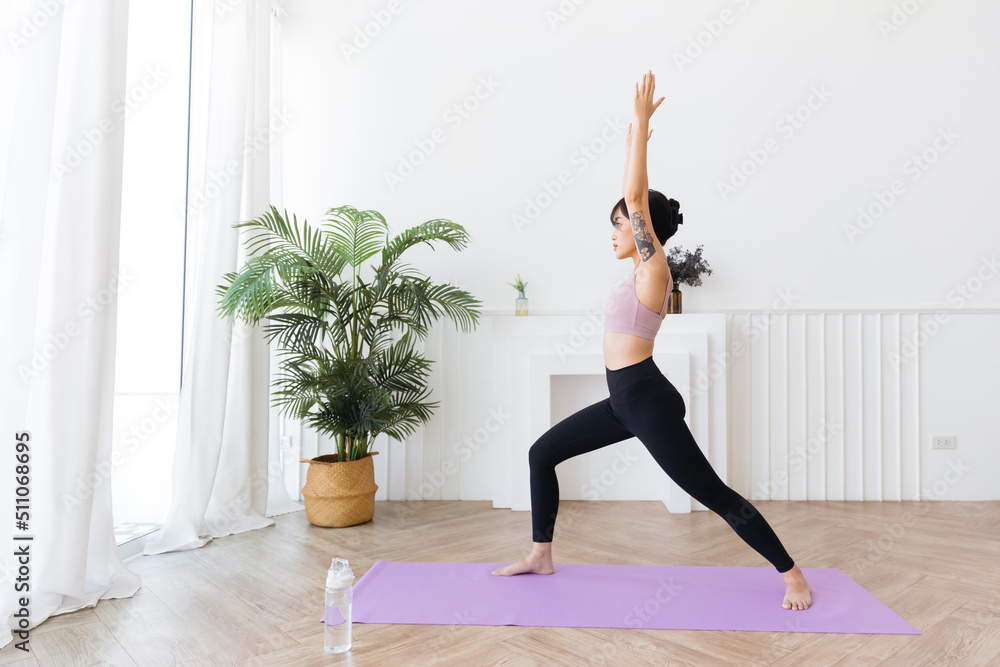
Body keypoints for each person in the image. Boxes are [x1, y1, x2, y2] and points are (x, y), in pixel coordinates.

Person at [492, 70, 812, 611]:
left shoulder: (653, 267)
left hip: (646, 402)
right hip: (624, 399)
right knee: (541, 453)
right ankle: (541, 553)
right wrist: (630, 140)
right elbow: (633, 196)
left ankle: (793, 575)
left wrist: (640, 126)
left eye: (619, 224)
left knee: (711, 493)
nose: (614, 232)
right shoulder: (635, 274)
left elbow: (636, 198)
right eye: (617, 224)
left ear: (643, 231)